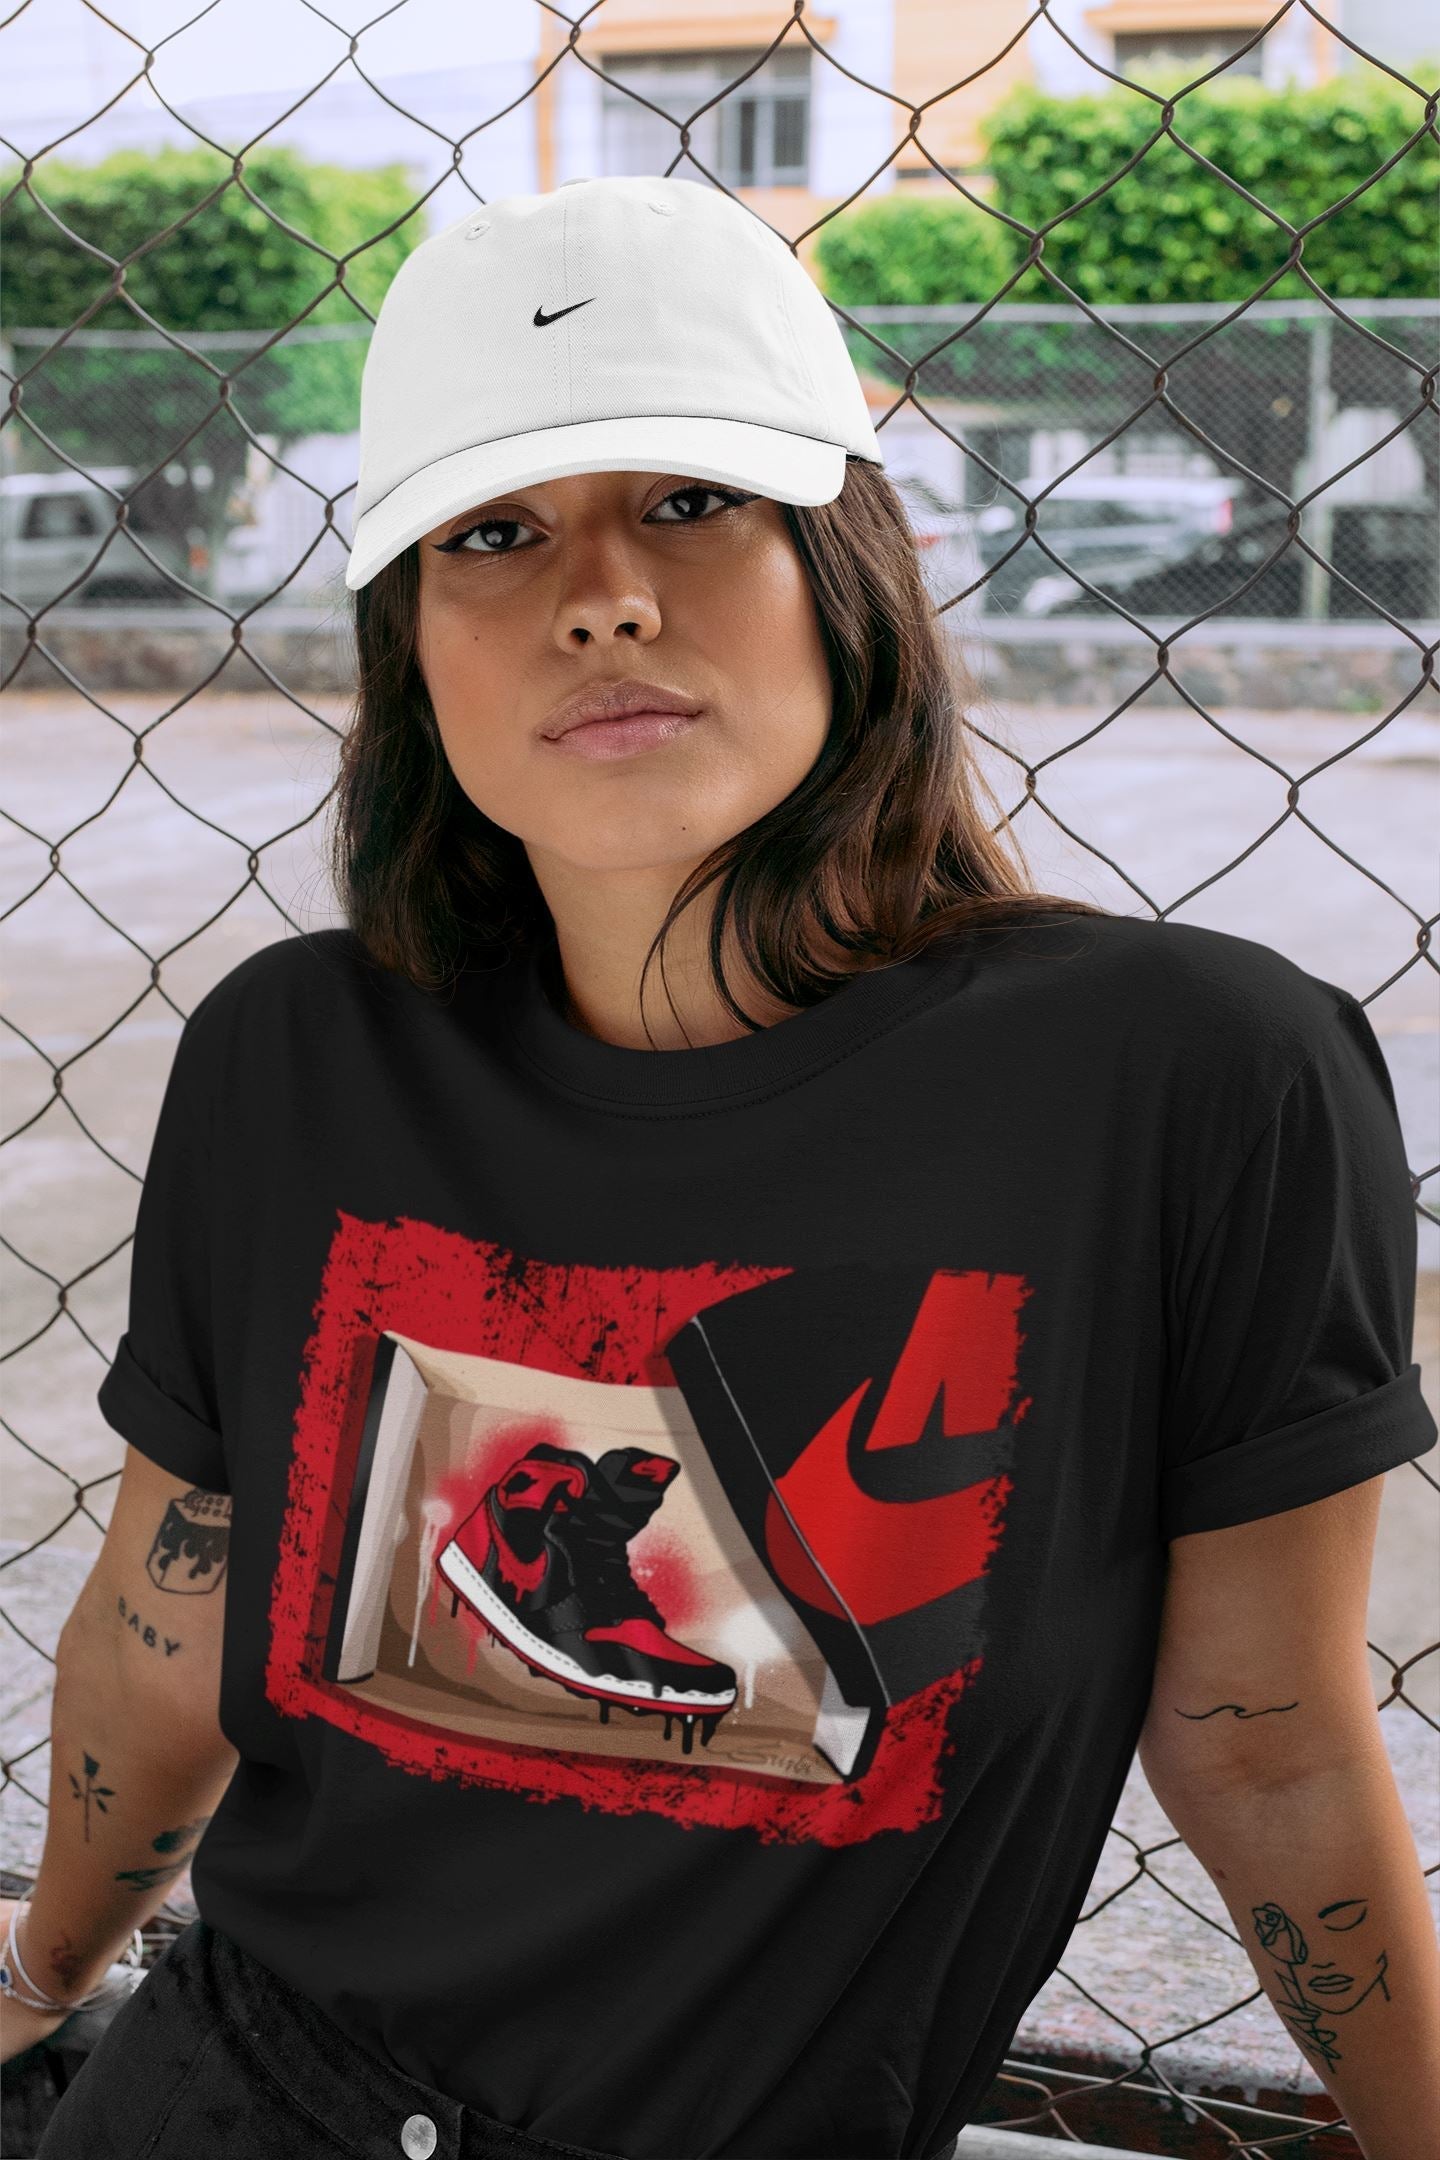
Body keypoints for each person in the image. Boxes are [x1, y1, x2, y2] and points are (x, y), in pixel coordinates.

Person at [6, 174, 1437, 2160]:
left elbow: (1265, 1745)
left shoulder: (1193, 1081)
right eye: (493, 531)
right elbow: (165, 1625)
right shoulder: (295, 1057)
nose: (600, 595)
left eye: (688, 499)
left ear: (849, 564)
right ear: (411, 641)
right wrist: (36, 1986)